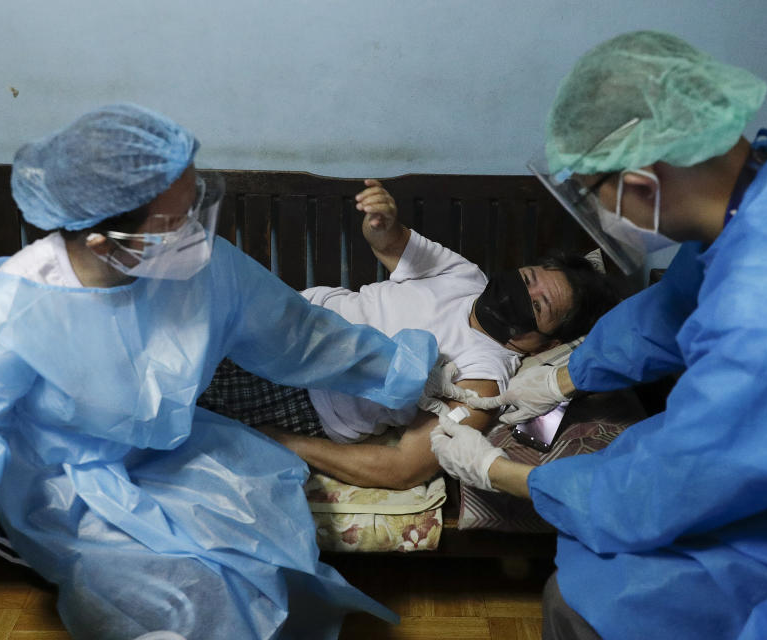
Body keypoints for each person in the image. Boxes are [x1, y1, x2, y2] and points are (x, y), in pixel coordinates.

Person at [0, 103, 460, 640]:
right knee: (181, 595)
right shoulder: (11, 306)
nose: (196, 233)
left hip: (172, 450)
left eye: (195, 207)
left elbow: (301, 335)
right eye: (174, 221)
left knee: (260, 544)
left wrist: (408, 369)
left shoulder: (202, 267)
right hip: (60, 483)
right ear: (103, 239)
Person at [431, 31, 767, 640]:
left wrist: (497, 469)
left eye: (593, 194)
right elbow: (672, 306)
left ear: (640, 184)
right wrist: (563, 375)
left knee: (592, 599)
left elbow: (658, 493)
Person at [197, 180, 620, 490]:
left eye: (539, 305)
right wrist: (381, 219)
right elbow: (388, 241)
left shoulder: (482, 378)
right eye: (527, 278)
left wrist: (283, 442)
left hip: (305, 393)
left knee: (174, 401)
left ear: (547, 343)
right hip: (286, 320)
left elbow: (405, 467)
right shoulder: (464, 276)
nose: (522, 293)